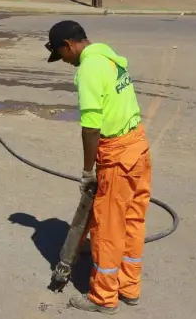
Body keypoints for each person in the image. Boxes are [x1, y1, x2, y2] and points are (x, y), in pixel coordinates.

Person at [45, 20, 152, 315]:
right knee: (132, 221)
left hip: (117, 154)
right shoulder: (107, 56)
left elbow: (91, 128)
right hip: (138, 146)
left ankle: (104, 297)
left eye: (62, 55)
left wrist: (87, 170)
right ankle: (129, 289)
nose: (65, 62)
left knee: (106, 228)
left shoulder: (89, 69)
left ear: (68, 45)